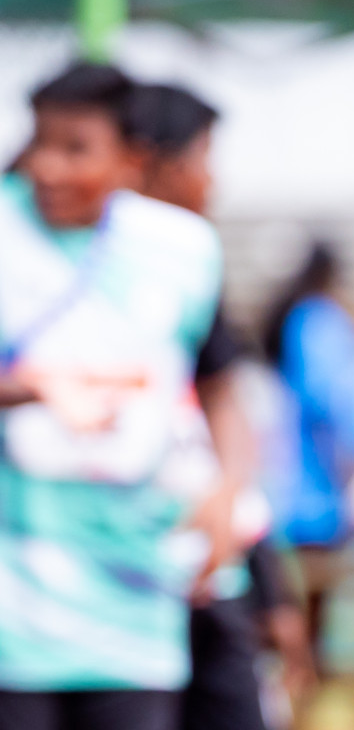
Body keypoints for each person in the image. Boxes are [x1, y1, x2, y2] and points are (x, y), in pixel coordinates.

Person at [0, 62, 222, 730]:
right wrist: (31, 390)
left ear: (132, 159)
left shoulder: (181, 251)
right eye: (40, 142)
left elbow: (222, 379)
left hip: (136, 603)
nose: (47, 166)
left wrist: (227, 489)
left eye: (75, 149)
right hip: (15, 608)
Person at [125, 83, 317, 729]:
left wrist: (269, 591)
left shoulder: (190, 274)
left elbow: (220, 441)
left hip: (208, 572)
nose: (213, 181)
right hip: (121, 578)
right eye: (204, 158)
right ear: (153, 163)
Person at [260, 242, 354, 661]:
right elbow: (330, 404)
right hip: (317, 486)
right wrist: (349, 466)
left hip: (289, 482)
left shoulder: (297, 318)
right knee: (310, 598)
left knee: (288, 594)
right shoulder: (321, 321)